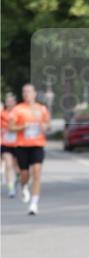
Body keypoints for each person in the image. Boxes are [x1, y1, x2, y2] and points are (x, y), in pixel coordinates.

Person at [10, 83, 51, 216]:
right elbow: (11, 127)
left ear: (34, 94)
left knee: (37, 172)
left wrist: (45, 127)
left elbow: (48, 125)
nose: (27, 94)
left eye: (29, 92)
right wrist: (23, 127)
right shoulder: (17, 109)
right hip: (22, 145)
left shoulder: (42, 109)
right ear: (23, 95)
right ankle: (23, 185)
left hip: (37, 144)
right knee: (24, 174)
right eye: (24, 92)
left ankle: (34, 203)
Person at [1, 92, 19, 197]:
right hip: (6, 143)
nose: (9, 103)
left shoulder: (19, 113)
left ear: (15, 103)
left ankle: (16, 178)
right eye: (7, 101)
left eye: (11, 101)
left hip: (18, 143)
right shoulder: (2, 114)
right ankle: (11, 188)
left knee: (17, 167)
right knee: (8, 165)